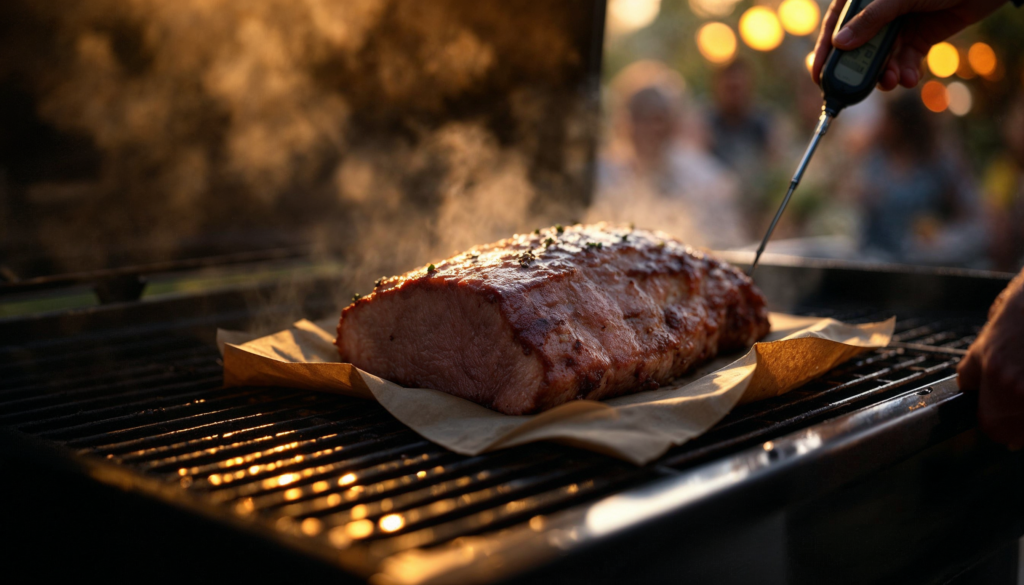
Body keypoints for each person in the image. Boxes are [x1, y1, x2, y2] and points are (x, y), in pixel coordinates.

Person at [812, 0, 1024, 448]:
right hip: (868, 280)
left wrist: (939, 241)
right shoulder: (870, 156)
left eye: (890, 123)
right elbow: (840, 196)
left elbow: (977, 218)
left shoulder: (940, 161)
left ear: (905, 126)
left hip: (921, 283)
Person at [590, 61, 747, 249]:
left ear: (673, 123)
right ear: (624, 123)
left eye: (658, 118)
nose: (649, 128)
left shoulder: (706, 178)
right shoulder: (602, 174)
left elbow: (729, 242)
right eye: (640, 117)